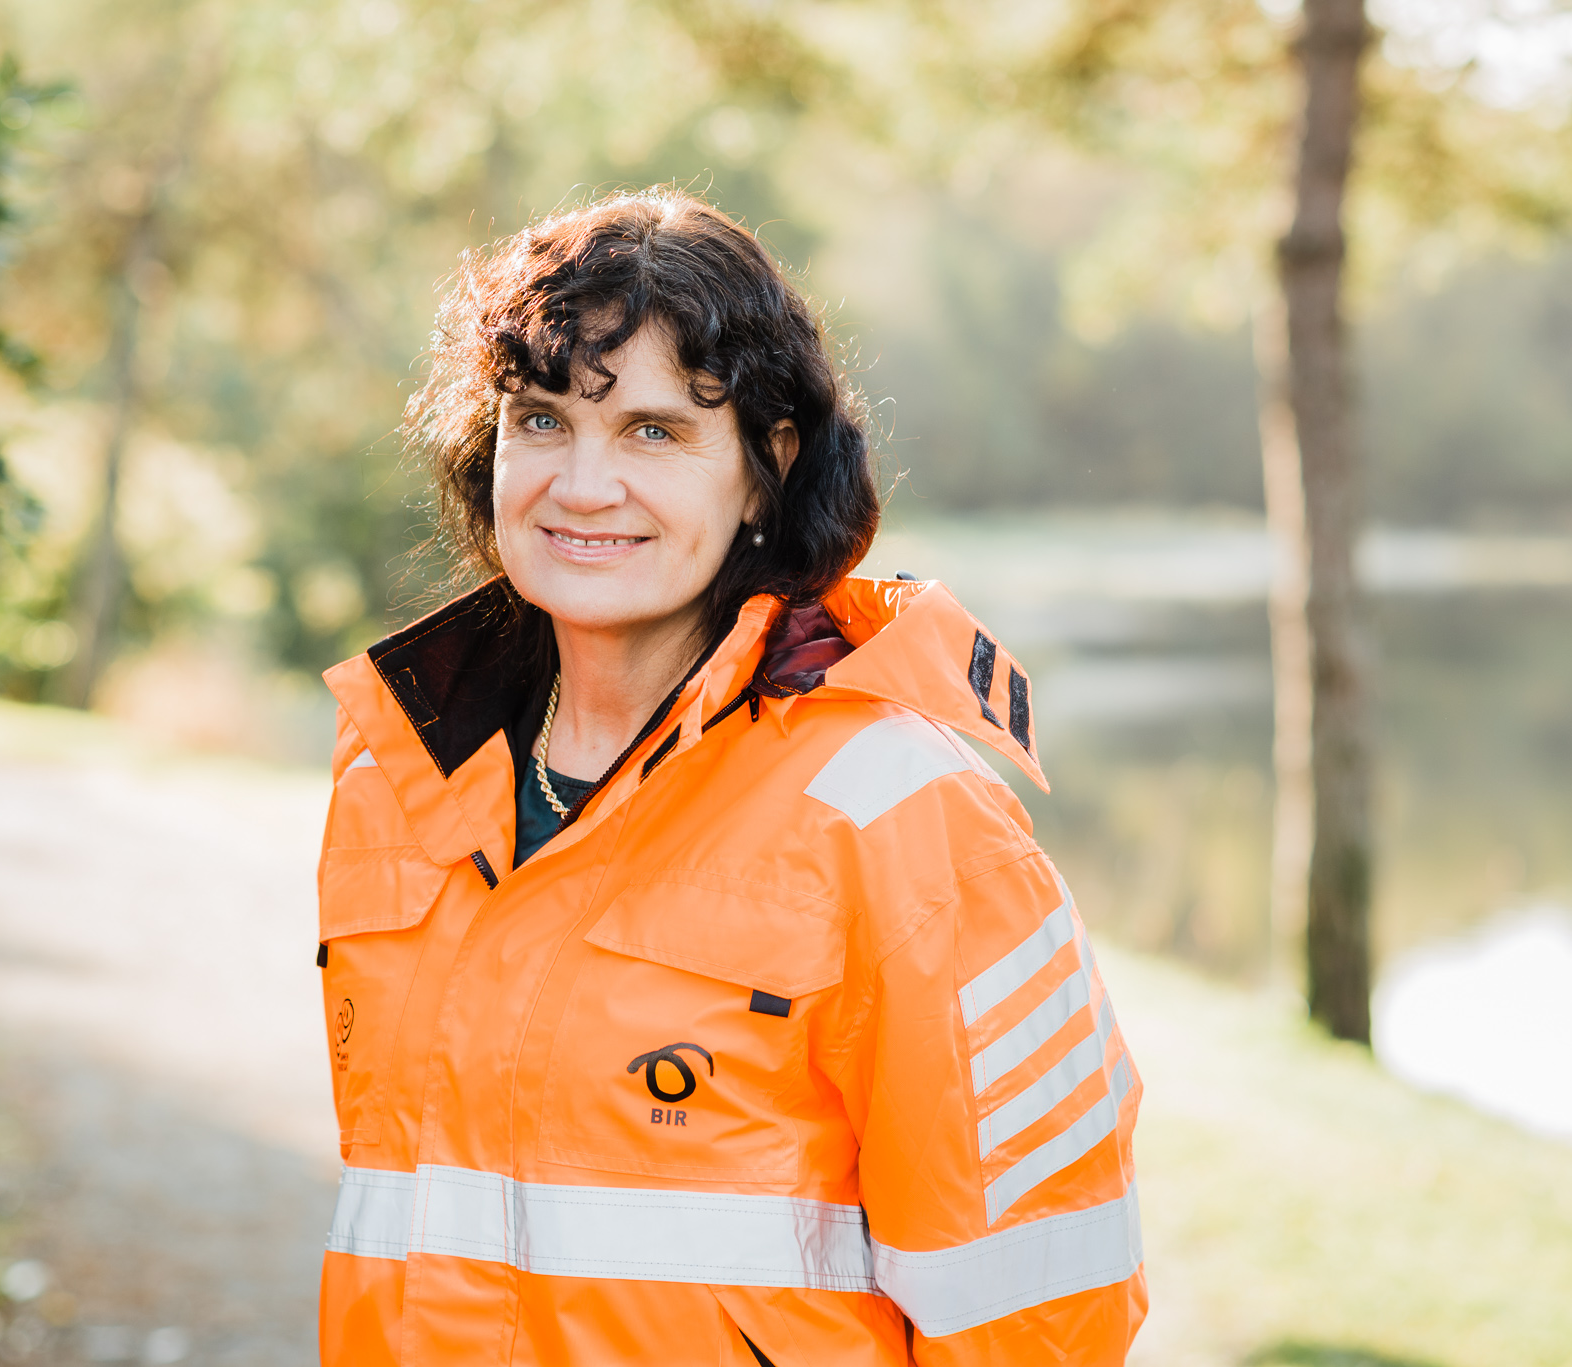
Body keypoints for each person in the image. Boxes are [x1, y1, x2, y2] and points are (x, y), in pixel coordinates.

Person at [314, 188, 1145, 1365]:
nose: (581, 484)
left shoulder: (901, 815)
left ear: (766, 466)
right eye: (541, 419)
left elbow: (1037, 1314)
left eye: (652, 431)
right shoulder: (396, 775)